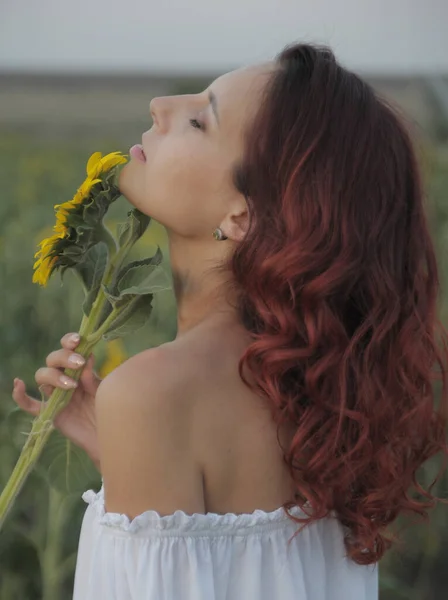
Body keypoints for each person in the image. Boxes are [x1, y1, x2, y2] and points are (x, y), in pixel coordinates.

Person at [12, 42, 448, 599]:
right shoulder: (325, 400)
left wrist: (140, 421)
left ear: (242, 214)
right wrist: (126, 453)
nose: (159, 105)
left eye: (199, 121)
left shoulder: (153, 394)